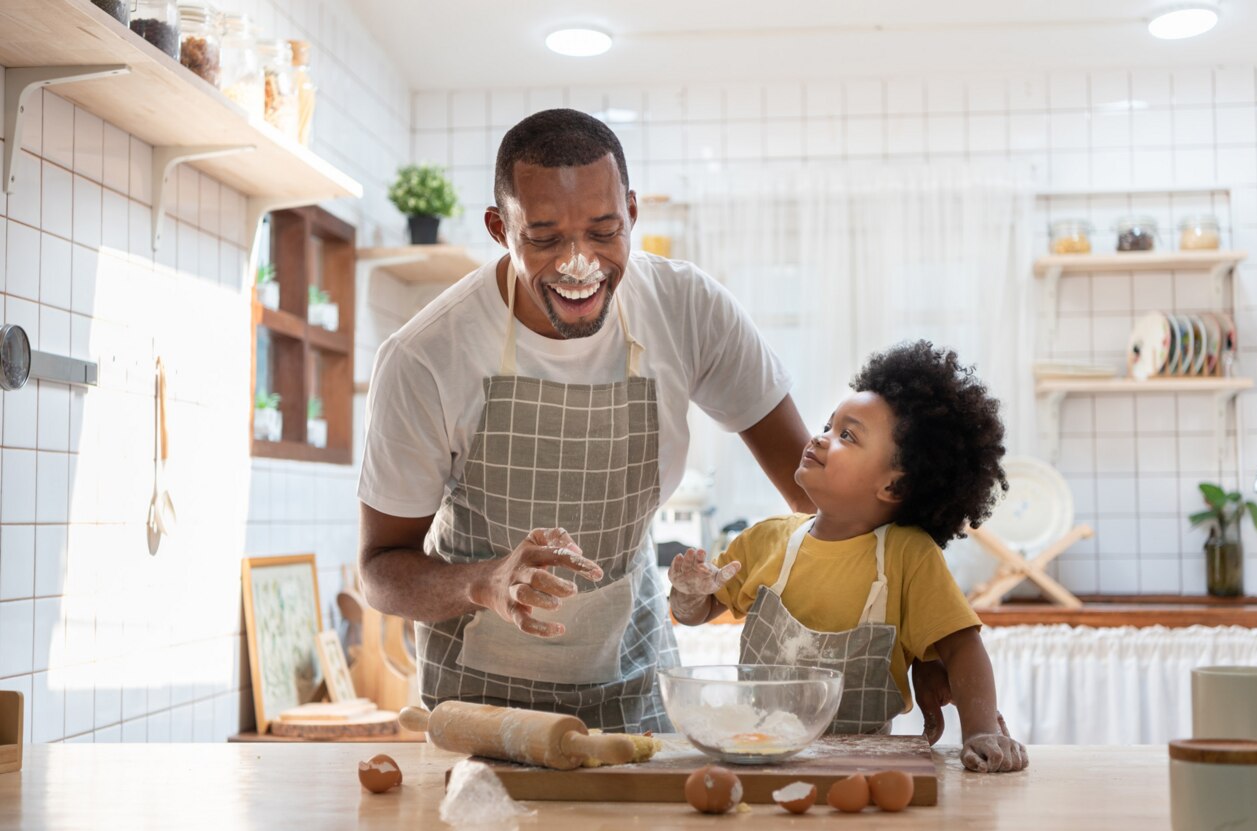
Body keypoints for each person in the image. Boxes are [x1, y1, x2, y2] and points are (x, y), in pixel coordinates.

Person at [355, 108, 814, 732]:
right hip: (479, 703)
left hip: (634, 687)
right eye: (544, 238)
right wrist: (486, 582)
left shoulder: (686, 308)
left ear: (631, 211)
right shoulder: (426, 355)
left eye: (604, 231)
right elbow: (381, 571)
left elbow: (817, 499)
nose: (580, 263)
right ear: (499, 228)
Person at [668, 340, 1029, 772]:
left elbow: (962, 648)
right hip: (759, 757)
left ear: (892, 486)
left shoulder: (907, 557)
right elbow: (698, 611)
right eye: (827, 425)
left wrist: (979, 730)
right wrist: (688, 595)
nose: (820, 438)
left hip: (862, 768)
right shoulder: (767, 540)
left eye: (847, 435)